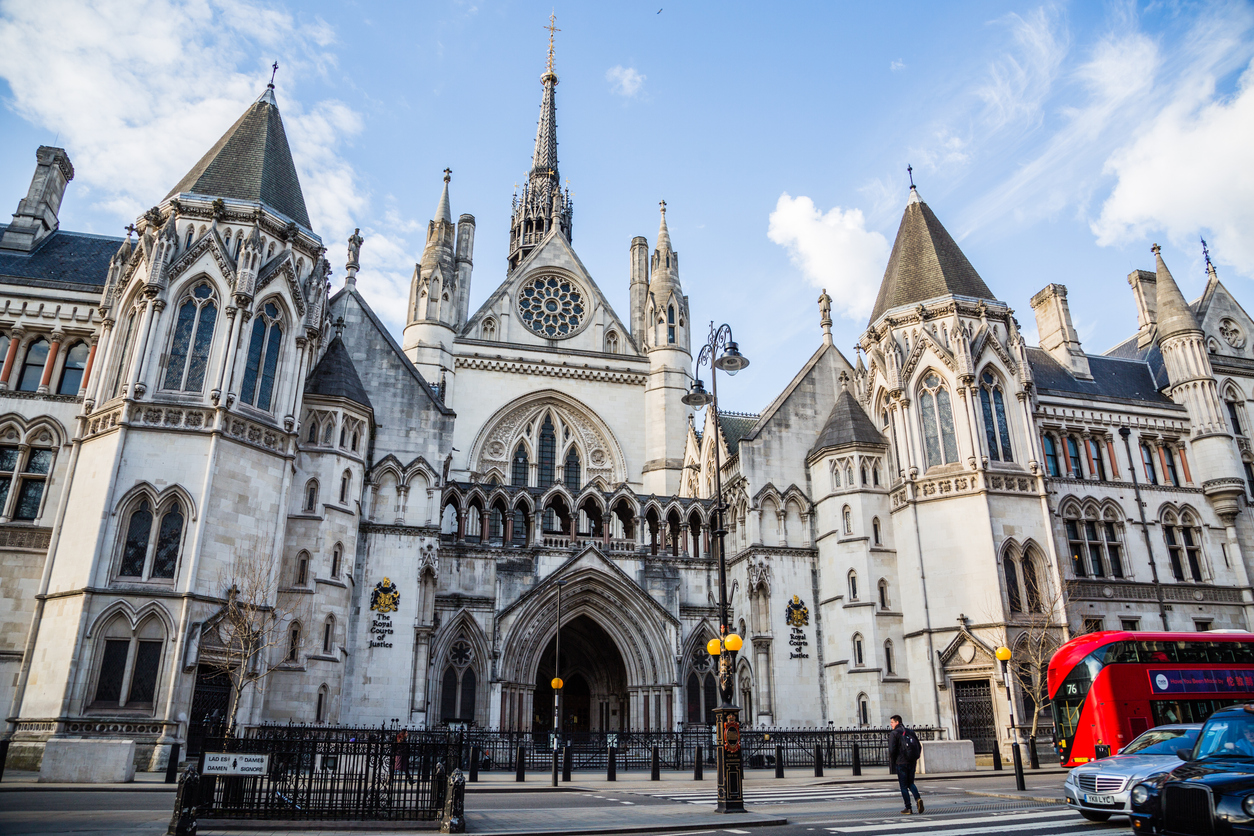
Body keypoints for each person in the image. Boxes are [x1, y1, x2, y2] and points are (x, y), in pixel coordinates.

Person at [889, 714, 923, 815]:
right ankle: (918, 799)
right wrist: (915, 758)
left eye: (892, 722)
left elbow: (892, 750)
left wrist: (894, 761)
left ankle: (908, 808)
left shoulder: (894, 733)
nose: (891, 724)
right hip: (912, 761)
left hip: (901, 762)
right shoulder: (910, 732)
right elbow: (918, 746)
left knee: (903, 786)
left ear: (897, 722)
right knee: (911, 783)